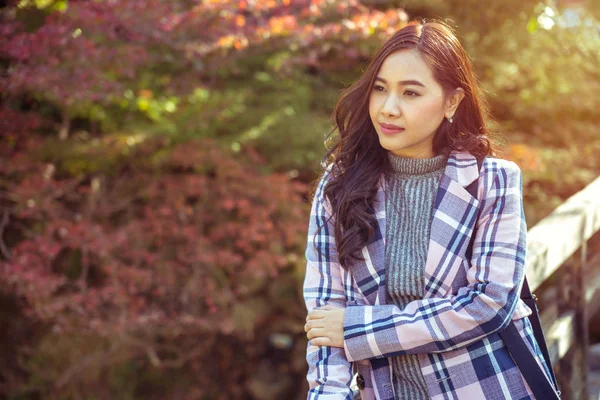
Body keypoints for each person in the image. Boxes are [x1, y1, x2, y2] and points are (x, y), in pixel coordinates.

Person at [302, 20, 555, 400]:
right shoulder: (339, 188)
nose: (388, 108)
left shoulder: (493, 181)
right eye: (380, 89)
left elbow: (489, 304)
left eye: (411, 93)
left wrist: (358, 330)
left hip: (486, 388)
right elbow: (325, 321)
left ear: (452, 101)